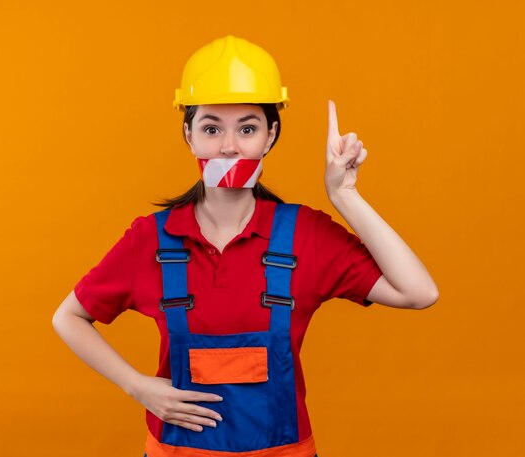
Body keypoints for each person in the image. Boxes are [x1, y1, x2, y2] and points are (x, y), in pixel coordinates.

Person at [52, 35, 438, 457]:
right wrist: (137, 386)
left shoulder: (305, 235)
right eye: (211, 128)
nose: (229, 146)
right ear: (189, 134)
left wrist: (345, 196)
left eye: (248, 128)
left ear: (271, 136)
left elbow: (418, 293)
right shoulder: (151, 239)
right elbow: (68, 317)